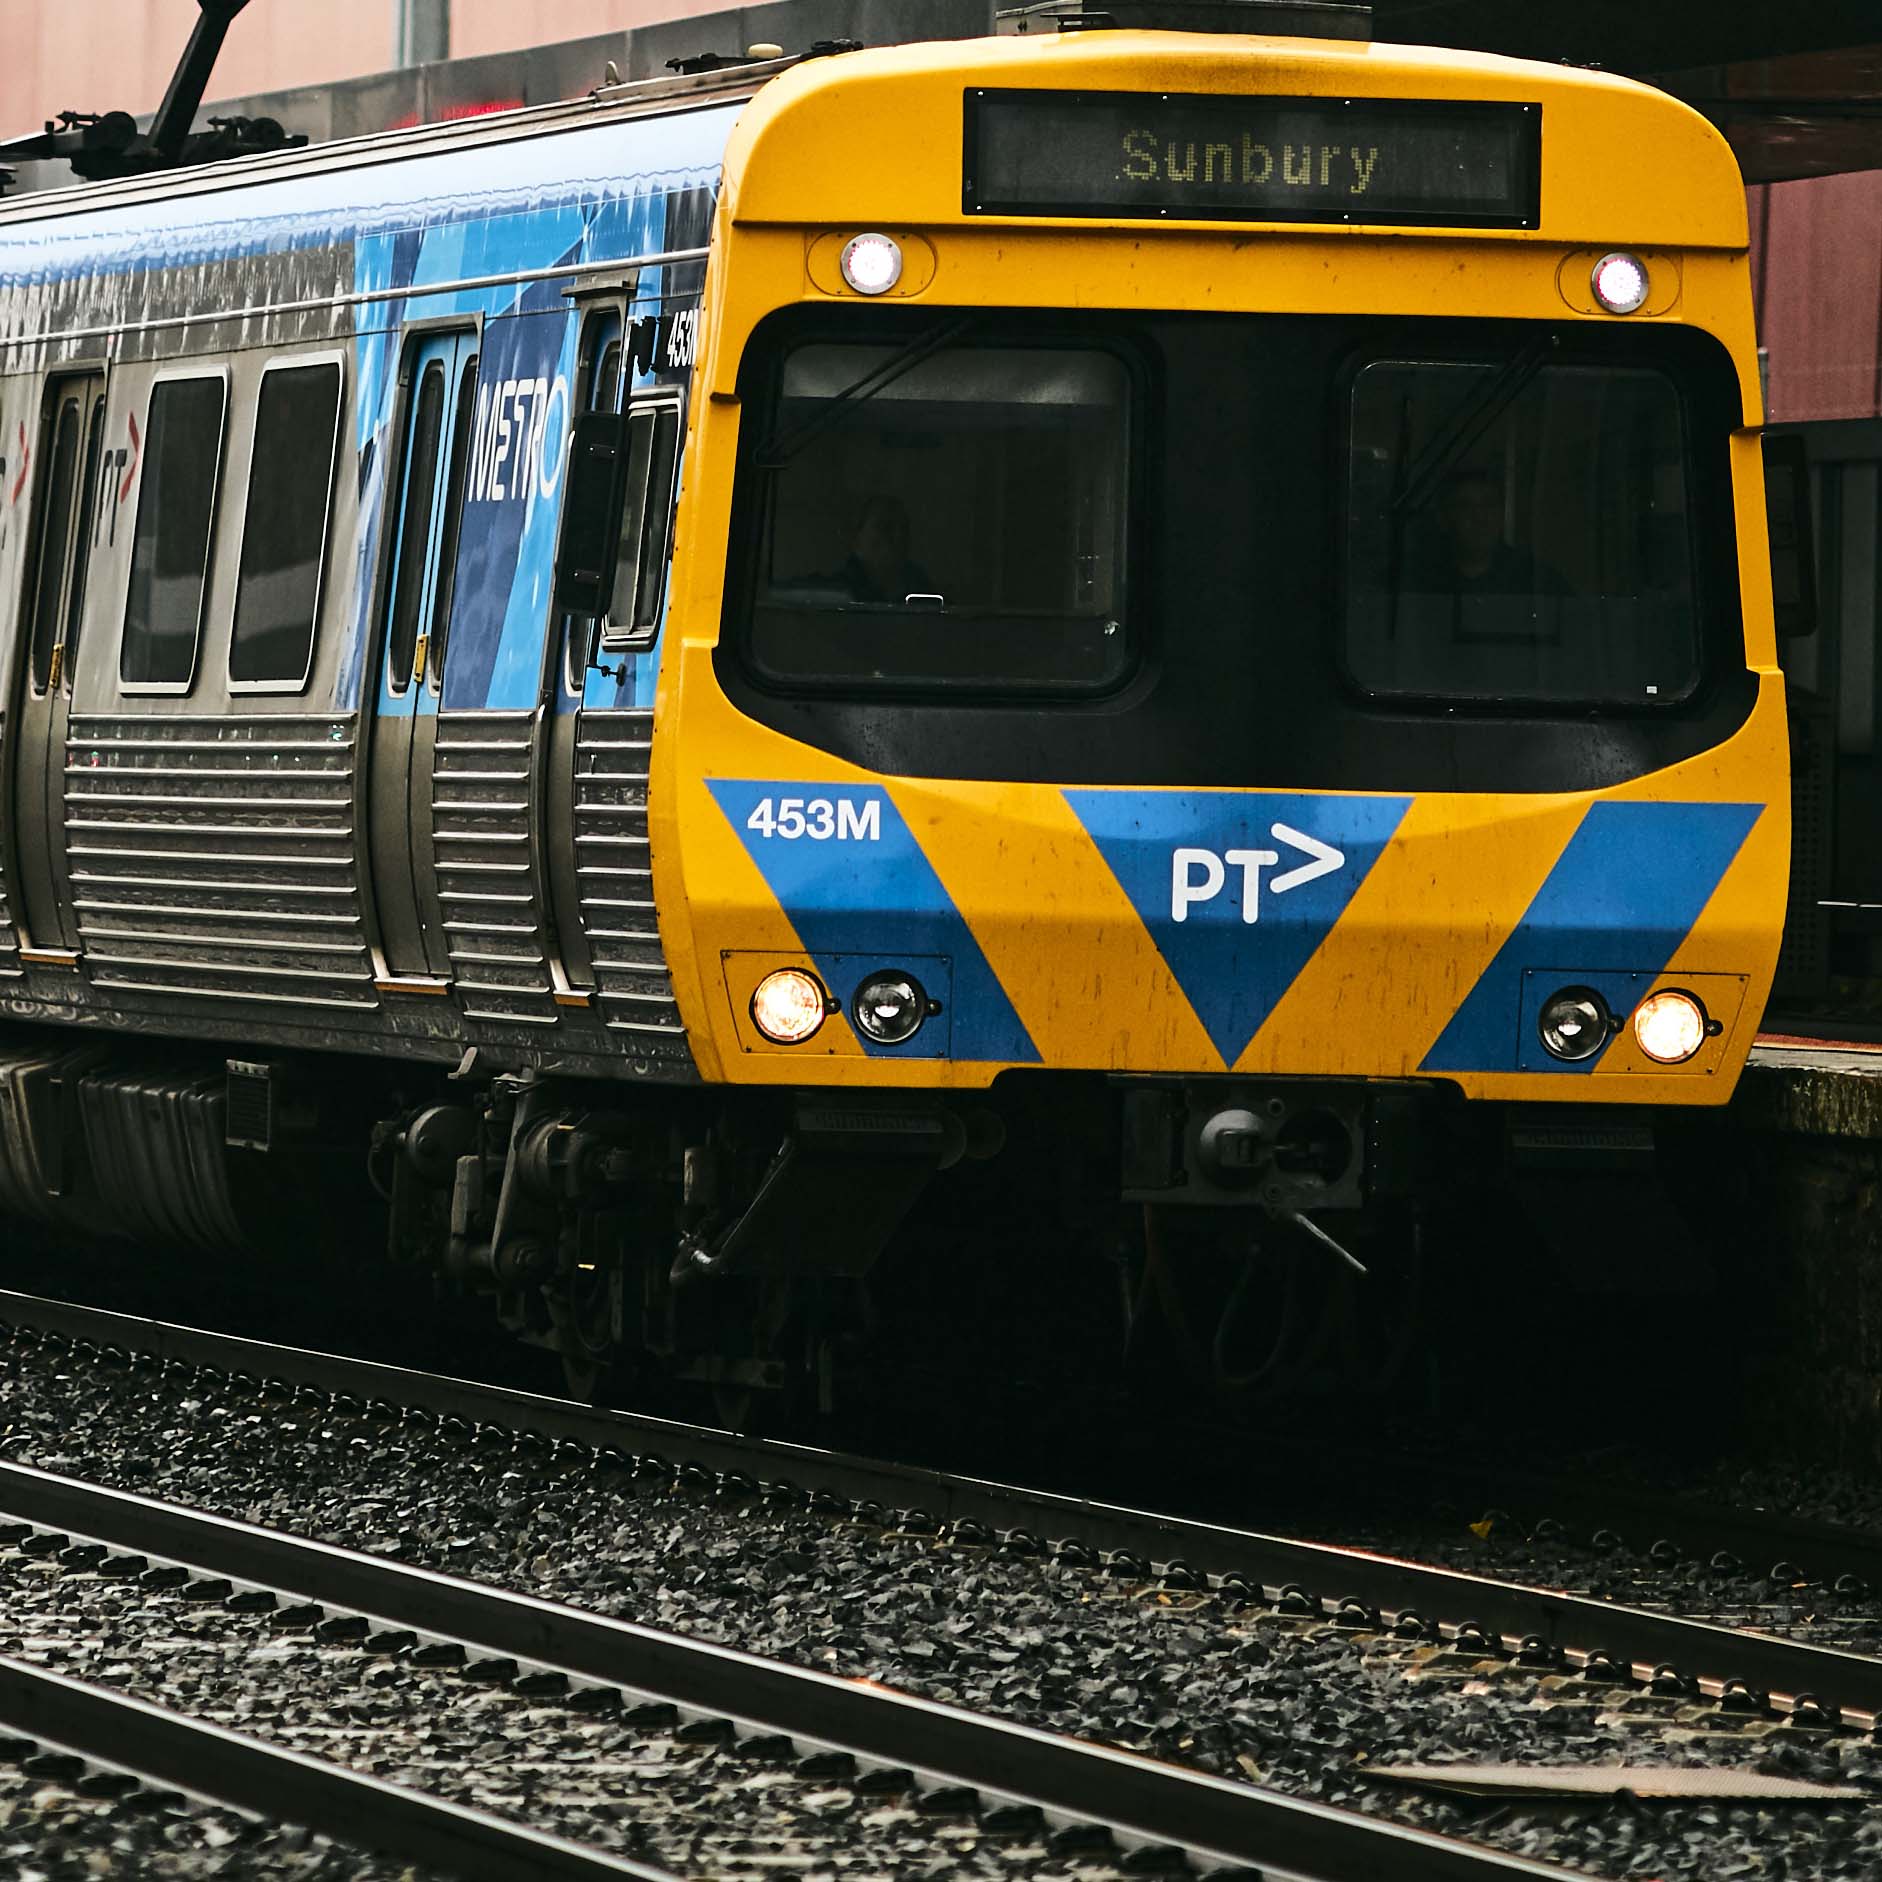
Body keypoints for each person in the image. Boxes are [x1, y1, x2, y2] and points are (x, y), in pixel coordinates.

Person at [835, 494, 933, 605]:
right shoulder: (832, 595)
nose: (898, 536)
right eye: (885, 526)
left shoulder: (923, 591)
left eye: (904, 528)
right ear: (856, 537)